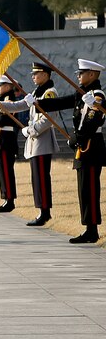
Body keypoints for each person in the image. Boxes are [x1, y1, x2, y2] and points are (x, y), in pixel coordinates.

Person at [31, 58, 105, 243]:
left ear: (92, 74)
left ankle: (92, 229)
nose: (78, 76)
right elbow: (59, 103)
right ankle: (89, 228)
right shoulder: (82, 93)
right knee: (83, 189)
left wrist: (77, 137)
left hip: (91, 145)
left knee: (90, 188)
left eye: (81, 73)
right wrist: (37, 103)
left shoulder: (97, 95)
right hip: (82, 145)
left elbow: (94, 119)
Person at [0, 63, 59, 226]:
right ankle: (41, 211)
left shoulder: (49, 93)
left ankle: (45, 212)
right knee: (36, 178)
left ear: (45, 75)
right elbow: (19, 105)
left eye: (36, 74)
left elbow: (49, 119)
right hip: (35, 141)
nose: (33, 76)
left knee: (42, 177)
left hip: (42, 140)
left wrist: (31, 130)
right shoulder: (37, 92)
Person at [0, 75, 19, 213]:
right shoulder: (2, 100)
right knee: (2, 169)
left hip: (7, 138)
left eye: (0, 86)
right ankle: (6, 198)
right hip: (1, 138)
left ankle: (9, 200)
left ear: (7, 86)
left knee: (6, 169)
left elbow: (1, 120)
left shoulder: (9, 100)